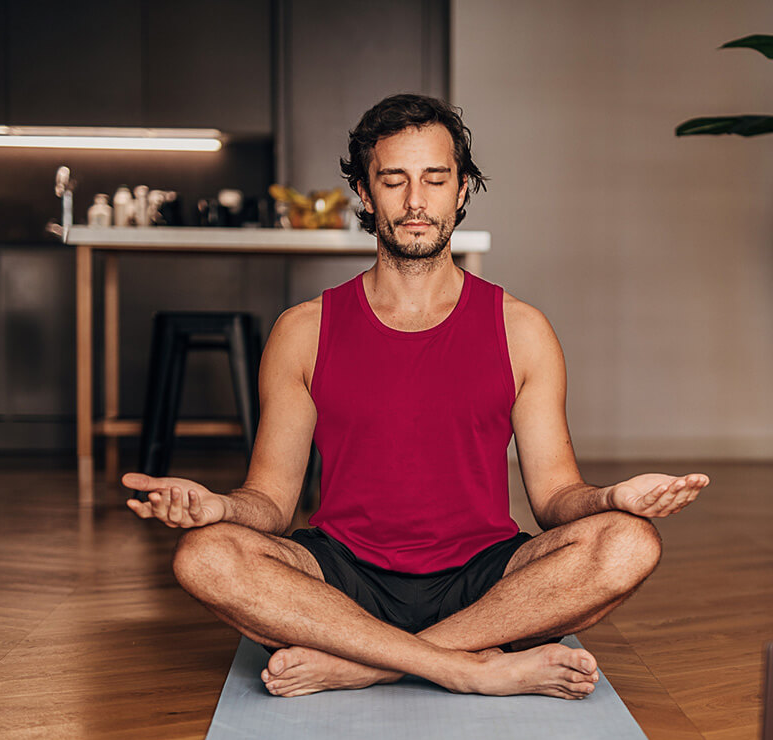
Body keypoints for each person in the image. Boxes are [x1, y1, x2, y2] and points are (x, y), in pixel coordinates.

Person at [123, 94, 708, 700]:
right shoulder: (302, 331)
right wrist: (219, 509)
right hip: (340, 575)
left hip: (485, 580)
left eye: (435, 179)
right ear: (364, 192)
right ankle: (465, 665)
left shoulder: (522, 329)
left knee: (629, 543)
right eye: (393, 180)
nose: (414, 202)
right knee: (204, 556)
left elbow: (555, 498)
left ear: (460, 190)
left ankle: (368, 661)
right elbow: (271, 502)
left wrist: (614, 497)